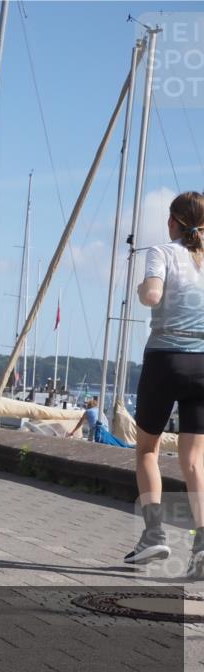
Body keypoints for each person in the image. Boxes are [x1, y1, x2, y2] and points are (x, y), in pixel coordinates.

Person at [123, 191, 204, 575]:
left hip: (166, 360)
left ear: (172, 221)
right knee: (194, 461)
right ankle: (202, 547)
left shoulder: (163, 252)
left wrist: (143, 290)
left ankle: (154, 536)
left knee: (147, 451)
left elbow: (152, 295)